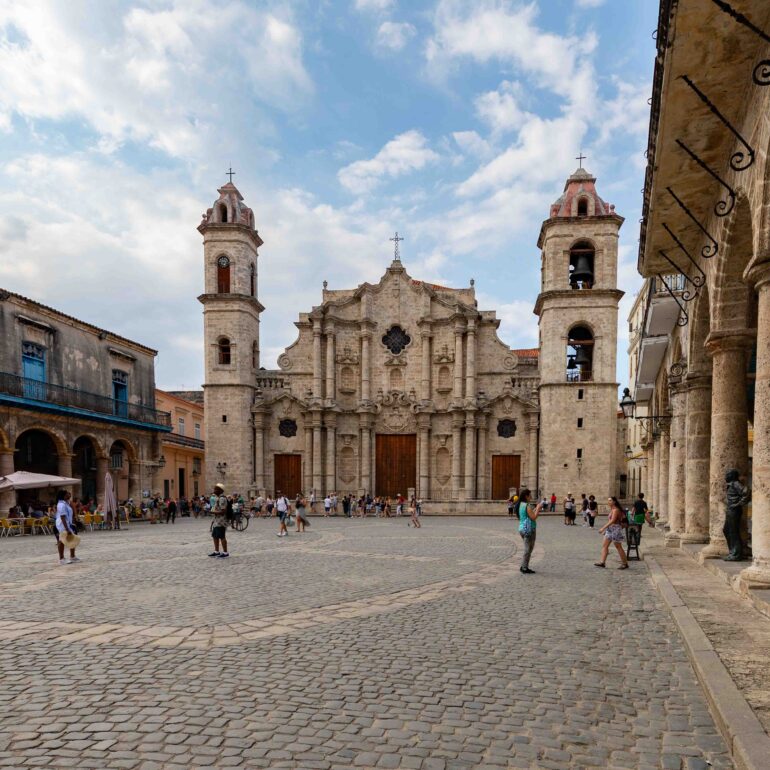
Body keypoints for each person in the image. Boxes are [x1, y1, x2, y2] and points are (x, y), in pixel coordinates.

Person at [595, 496, 629, 569]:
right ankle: (602, 562)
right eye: (608, 500)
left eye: (610, 500)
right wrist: (606, 529)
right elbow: (610, 521)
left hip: (615, 529)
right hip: (610, 529)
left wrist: (603, 528)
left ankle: (625, 563)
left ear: (614, 502)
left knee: (618, 546)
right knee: (605, 545)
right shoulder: (612, 509)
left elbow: (613, 520)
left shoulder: (616, 510)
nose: (608, 502)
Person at [517, 488, 541, 574]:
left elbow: (528, 514)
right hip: (529, 529)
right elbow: (534, 517)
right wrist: (538, 508)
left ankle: (524, 566)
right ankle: (524, 567)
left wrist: (535, 510)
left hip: (522, 528)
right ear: (526, 496)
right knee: (528, 549)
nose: (531, 497)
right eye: (530, 495)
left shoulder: (521, 505)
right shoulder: (527, 506)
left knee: (528, 548)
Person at [54, 489, 79, 565]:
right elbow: (62, 517)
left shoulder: (66, 503)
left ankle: (72, 556)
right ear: (64, 495)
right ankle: (61, 558)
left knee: (72, 538)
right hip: (62, 524)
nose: (69, 494)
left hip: (68, 524)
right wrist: (67, 528)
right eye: (67, 493)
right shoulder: (61, 504)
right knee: (61, 541)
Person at [208, 484, 229, 558]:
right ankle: (216, 551)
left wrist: (212, 512)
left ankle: (225, 552)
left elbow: (223, 511)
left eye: (216, 489)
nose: (214, 491)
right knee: (215, 536)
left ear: (220, 490)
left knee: (222, 536)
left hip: (221, 521)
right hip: (217, 520)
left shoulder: (222, 499)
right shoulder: (218, 498)